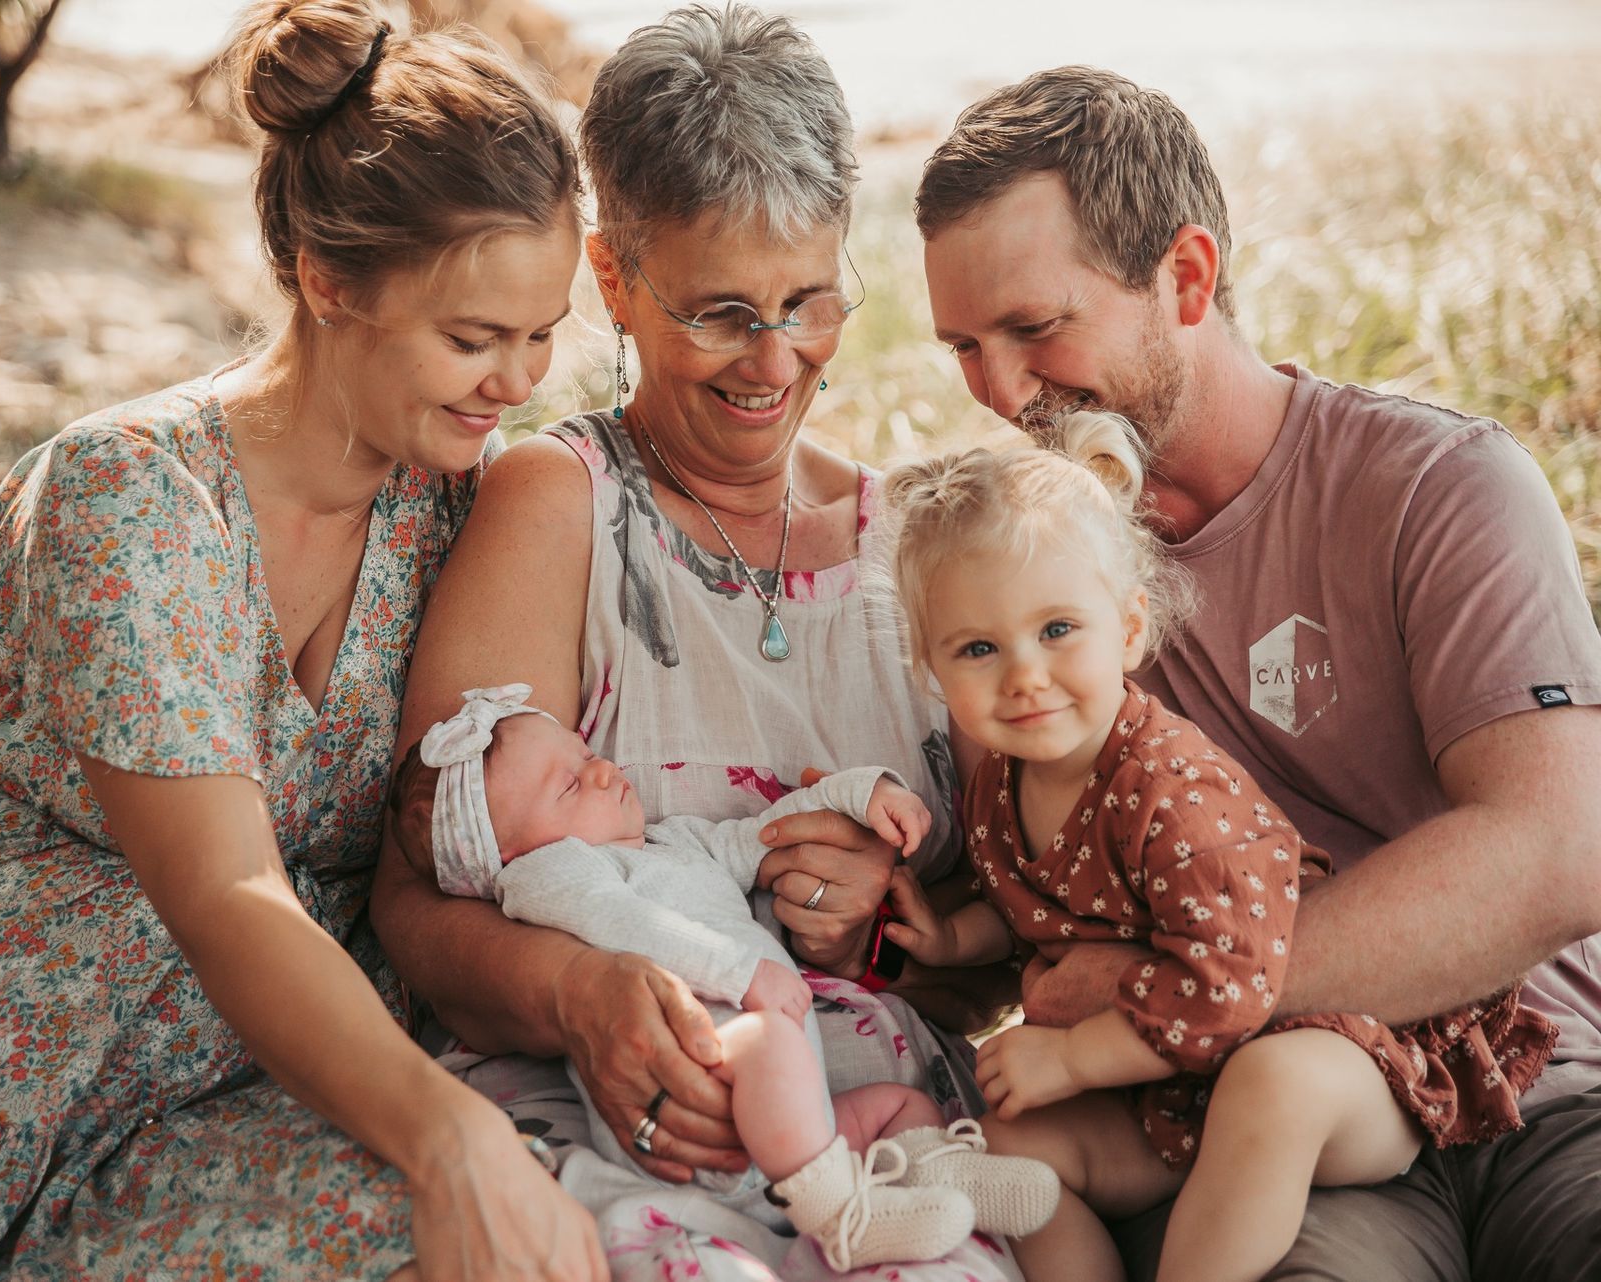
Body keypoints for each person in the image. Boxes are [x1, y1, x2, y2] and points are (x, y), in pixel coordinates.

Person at [0, 4, 602, 1278]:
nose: (519, 382)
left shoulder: (466, 506)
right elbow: (222, 892)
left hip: (282, 1073)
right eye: (473, 338)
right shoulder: (128, 495)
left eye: (543, 332)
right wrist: (449, 1137)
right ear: (329, 282)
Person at [914, 65, 1601, 1280]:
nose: (1004, 392)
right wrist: (881, 923)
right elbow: (1029, 932)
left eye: (1036, 328)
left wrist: (1180, 983)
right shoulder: (1026, 581)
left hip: (1555, 1094)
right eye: (966, 347)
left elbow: (1562, 850)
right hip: (1261, 1133)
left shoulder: (1438, 489)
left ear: (1186, 277)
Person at [372, 6, 1019, 1279]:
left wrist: (879, 932)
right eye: (721, 312)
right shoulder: (560, 504)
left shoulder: (918, 550)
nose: (775, 361)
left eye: (810, 299)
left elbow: (991, 933)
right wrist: (578, 998)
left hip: (867, 1132)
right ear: (614, 279)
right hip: (607, 1132)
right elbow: (416, 900)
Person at [877, 412, 1558, 1282]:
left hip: (1343, 1055)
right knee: (1008, 1145)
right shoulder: (1000, 787)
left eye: (1057, 631)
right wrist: (951, 937)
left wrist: (1074, 1055)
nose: (1024, 676)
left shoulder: (1170, 791)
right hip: (1170, 1086)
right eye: (978, 648)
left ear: (1128, 629)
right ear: (932, 669)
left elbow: (1236, 984)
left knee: (1272, 1084)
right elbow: (1030, 918)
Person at [396, 684, 1063, 1271]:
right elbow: (632, 927)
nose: (601, 772)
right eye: (570, 785)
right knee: (769, 1039)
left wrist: (861, 795)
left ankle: (939, 1170)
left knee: (899, 1105)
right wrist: (745, 974)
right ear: (506, 855)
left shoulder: (670, 844)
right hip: (700, 1099)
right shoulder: (552, 877)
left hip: (789, 1127)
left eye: (586, 754)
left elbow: (762, 835)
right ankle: (842, 1218)